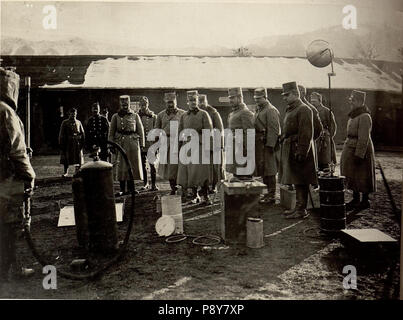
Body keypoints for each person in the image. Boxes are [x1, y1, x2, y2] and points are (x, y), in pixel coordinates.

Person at [0, 67, 35, 280]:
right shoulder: (5, 112)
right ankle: (10, 270)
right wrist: (29, 174)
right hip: (6, 177)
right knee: (10, 224)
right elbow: (17, 150)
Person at [279, 82, 317, 219]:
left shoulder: (304, 109)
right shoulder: (291, 109)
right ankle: (298, 207)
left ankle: (301, 209)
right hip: (291, 147)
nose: (284, 98)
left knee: (302, 179)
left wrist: (302, 151)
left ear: (296, 94)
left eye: (287, 95)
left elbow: (306, 133)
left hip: (299, 148)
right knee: (296, 179)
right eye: (284, 95)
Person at [340, 90, 376, 211]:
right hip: (351, 147)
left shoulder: (365, 116)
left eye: (354, 100)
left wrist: (359, 155)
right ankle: (355, 199)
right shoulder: (354, 114)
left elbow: (363, 138)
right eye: (351, 100)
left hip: (361, 150)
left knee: (363, 175)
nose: (351, 102)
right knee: (353, 174)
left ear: (360, 102)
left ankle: (365, 200)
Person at [177, 91, 213, 205]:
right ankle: (194, 195)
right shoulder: (184, 116)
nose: (193, 102)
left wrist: (208, 147)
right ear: (187, 102)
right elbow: (180, 132)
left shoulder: (203, 114)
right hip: (187, 146)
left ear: (197, 101)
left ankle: (205, 197)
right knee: (189, 172)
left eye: (194, 100)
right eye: (190, 100)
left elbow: (209, 131)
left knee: (202, 173)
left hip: (201, 146)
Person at [108, 95, 145, 196]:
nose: (125, 105)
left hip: (132, 143)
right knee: (121, 166)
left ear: (129, 104)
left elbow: (140, 130)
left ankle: (131, 188)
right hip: (120, 143)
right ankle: (122, 189)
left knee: (132, 165)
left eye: (127, 104)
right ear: (120, 104)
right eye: (123, 104)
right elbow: (111, 132)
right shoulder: (115, 116)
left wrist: (142, 144)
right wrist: (111, 145)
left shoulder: (135, 115)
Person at [253, 88, 281, 204]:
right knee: (264, 170)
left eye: (259, 98)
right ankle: (266, 194)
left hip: (268, 145)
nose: (257, 101)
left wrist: (270, 145)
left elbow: (274, 129)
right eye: (256, 99)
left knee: (270, 170)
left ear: (265, 97)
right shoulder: (260, 109)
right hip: (261, 144)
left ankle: (271, 195)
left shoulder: (270, 110)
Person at [155, 92, 186, 195]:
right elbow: (156, 130)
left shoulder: (183, 114)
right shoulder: (160, 115)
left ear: (176, 101)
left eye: (172, 102)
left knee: (180, 167)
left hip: (179, 143)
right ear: (165, 102)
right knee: (169, 169)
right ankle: (173, 189)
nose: (170, 104)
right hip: (166, 143)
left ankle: (183, 189)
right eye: (168, 102)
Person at [198, 94, 225, 193]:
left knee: (215, 167)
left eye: (202, 101)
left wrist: (220, 145)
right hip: (202, 144)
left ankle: (214, 186)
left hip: (214, 144)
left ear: (206, 101)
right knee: (203, 167)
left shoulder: (213, 113)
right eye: (199, 102)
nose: (200, 104)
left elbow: (219, 129)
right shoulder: (197, 113)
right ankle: (204, 187)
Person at [226, 87, 255, 180]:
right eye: (230, 98)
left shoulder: (245, 112)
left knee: (244, 178)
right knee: (237, 176)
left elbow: (249, 133)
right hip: (234, 150)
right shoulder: (233, 113)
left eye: (233, 98)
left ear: (240, 98)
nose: (230, 100)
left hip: (242, 151)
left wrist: (247, 152)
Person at [298, 85, 323, 173]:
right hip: (296, 145)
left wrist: (310, 139)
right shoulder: (294, 107)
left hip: (306, 145)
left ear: (303, 93)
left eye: (298, 91)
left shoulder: (311, 109)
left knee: (307, 172)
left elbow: (318, 129)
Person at [310, 92, 337, 171]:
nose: (312, 103)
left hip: (324, 140)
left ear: (319, 101)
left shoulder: (326, 111)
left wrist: (328, 136)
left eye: (314, 101)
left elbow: (333, 126)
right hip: (315, 137)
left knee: (325, 160)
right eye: (311, 101)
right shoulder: (311, 110)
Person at [138, 96, 158, 191]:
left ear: (147, 104)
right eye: (141, 105)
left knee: (152, 165)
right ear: (139, 105)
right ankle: (146, 183)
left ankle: (154, 184)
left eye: (145, 104)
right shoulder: (136, 116)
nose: (143, 106)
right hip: (141, 144)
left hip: (151, 144)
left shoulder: (153, 116)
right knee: (143, 164)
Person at [59, 108, 85, 177]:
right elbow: (61, 134)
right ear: (69, 114)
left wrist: (82, 142)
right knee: (66, 158)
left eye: (74, 114)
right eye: (72, 114)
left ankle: (77, 172)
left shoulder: (79, 122)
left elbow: (82, 133)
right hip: (68, 143)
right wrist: (62, 143)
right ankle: (65, 172)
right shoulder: (65, 122)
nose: (73, 115)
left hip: (77, 143)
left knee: (78, 158)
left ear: (76, 114)